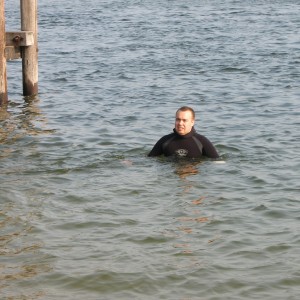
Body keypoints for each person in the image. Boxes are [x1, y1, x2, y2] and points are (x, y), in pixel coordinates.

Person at [148, 106, 219, 159]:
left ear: (192, 122)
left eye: (184, 120)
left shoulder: (202, 141)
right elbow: (149, 160)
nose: (180, 123)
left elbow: (217, 162)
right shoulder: (165, 141)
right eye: (178, 120)